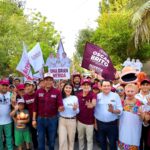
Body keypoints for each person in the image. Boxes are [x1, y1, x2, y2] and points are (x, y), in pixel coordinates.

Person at [32, 72, 64, 150]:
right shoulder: (38, 92)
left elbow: (60, 105)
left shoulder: (57, 92)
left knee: (52, 141)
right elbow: (35, 107)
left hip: (52, 120)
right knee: (40, 140)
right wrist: (33, 119)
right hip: (40, 119)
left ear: (53, 81)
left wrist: (61, 108)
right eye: (46, 80)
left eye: (50, 80)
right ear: (44, 81)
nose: (48, 82)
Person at [95, 80, 122, 150]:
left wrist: (113, 111)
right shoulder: (97, 96)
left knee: (112, 143)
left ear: (111, 86)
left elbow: (120, 110)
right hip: (100, 124)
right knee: (102, 143)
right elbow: (95, 111)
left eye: (108, 86)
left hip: (112, 124)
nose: (106, 87)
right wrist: (95, 123)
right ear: (101, 87)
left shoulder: (116, 96)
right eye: (104, 86)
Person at [118, 83, 143, 150]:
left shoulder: (139, 103)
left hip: (134, 131)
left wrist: (141, 115)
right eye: (128, 91)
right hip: (123, 130)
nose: (130, 93)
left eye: (132, 91)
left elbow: (142, 118)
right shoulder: (122, 102)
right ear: (125, 92)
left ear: (136, 92)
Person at [76, 79, 96, 150]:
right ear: (81, 86)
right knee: (80, 137)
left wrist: (92, 105)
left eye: (88, 85)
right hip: (80, 121)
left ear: (90, 86)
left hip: (90, 122)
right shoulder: (78, 95)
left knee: (89, 139)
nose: (86, 86)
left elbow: (94, 102)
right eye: (84, 85)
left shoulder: (93, 94)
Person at [59, 82, 79, 150]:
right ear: (63, 88)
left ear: (72, 89)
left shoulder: (74, 98)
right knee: (62, 140)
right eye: (66, 87)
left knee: (71, 140)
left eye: (70, 88)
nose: (68, 89)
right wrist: (59, 110)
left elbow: (78, 111)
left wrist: (75, 109)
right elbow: (57, 109)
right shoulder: (60, 97)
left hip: (72, 120)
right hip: (62, 121)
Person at [135, 79, 150, 150]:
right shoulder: (136, 96)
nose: (145, 86)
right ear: (140, 86)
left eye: (147, 85)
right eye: (143, 85)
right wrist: (141, 114)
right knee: (139, 139)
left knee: (148, 141)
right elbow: (134, 109)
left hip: (148, 121)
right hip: (138, 121)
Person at [24, 80, 38, 150]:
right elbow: (24, 108)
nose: (27, 87)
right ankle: (35, 146)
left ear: (33, 86)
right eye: (26, 86)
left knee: (41, 133)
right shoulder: (25, 96)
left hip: (39, 117)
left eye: (29, 85)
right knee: (33, 134)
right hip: (30, 118)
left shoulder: (37, 94)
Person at [0, 80, 13, 150]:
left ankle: (10, 148)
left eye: (6, 85)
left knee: (9, 137)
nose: (4, 87)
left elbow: (14, 105)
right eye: (3, 85)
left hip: (8, 120)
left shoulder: (10, 94)